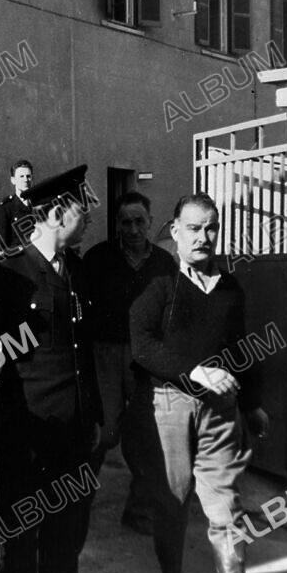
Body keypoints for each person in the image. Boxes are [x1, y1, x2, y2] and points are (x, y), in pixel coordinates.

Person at [0, 165, 114, 573]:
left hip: (72, 427)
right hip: (26, 428)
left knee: (69, 526)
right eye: (80, 211)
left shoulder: (78, 272)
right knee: (23, 528)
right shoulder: (6, 276)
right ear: (53, 215)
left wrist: (94, 415)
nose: (88, 219)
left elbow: (83, 351)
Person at [128, 192, 269, 573]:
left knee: (225, 502)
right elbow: (142, 345)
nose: (204, 237)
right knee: (172, 502)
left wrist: (252, 404)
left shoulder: (230, 289)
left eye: (212, 228)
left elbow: (242, 351)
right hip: (169, 406)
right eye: (194, 228)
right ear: (175, 232)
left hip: (220, 411)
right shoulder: (159, 286)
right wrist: (193, 372)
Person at [83, 191, 176, 534]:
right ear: (117, 225)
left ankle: (138, 512)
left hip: (146, 359)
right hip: (106, 353)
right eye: (126, 222)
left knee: (147, 436)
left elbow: (170, 312)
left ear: (150, 222)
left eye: (140, 221)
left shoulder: (164, 264)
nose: (133, 229)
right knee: (103, 433)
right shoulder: (98, 258)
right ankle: (77, 503)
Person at [0, 159, 35, 252]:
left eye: (28, 176)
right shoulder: (5, 207)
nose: (25, 180)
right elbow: (1, 245)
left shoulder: (37, 204)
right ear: (13, 180)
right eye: (21, 176)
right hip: (19, 260)